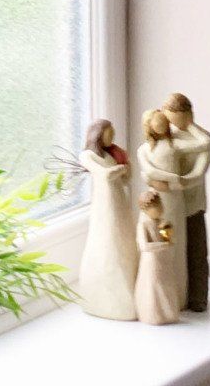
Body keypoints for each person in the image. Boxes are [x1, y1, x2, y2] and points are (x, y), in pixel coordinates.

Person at [75, 119, 138, 320]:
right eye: (108, 133)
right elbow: (104, 174)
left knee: (124, 240)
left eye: (113, 132)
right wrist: (117, 170)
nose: (112, 137)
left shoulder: (114, 153)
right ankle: (102, 299)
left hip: (119, 199)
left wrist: (127, 168)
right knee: (107, 240)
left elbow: (126, 180)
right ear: (98, 134)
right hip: (105, 203)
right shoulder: (88, 155)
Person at [162, 92, 210, 312]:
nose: (171, 123)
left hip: (192, 206)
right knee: (168, 248)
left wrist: (179, 182)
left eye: (175, 117)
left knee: (196, 253)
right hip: (168, 207)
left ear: (187, 115)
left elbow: (198, 172)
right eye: (168, 118)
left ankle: (198, 297)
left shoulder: (201, 139)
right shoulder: (167, 138)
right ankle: (171, 296)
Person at [137, 109, 188, 309]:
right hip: (157, 199)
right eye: (156, 124)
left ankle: (178, 297)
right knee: (157, 231)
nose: (160, 127)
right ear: (148, 126)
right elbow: (149, 172)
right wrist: (173, 180)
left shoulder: (173, 146)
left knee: (175, 241)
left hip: (174, 199)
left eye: (162, 123)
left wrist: (171, 184)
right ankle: (159, 299)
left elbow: (153, 175)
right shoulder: (144, 150)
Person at [133, 189, 183, 325]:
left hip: (163, 261)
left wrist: (168, 234)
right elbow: (144, 246)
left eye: (161, 205)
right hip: (151, 263)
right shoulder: (143, 225)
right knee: (154, 287)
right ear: (146, 209)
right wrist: (163, 245)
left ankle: (167, 314)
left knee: (166, 285)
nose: (161, 208)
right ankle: (152, 314)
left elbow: (170, 240)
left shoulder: (161, 222)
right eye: (156, 206)